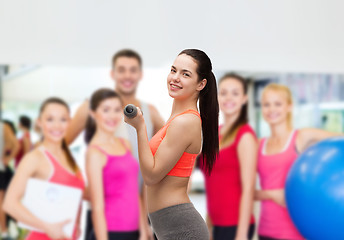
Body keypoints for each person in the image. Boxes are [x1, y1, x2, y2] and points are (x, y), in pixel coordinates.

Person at [65, 49, 164, 240]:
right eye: (122, 70)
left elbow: (173, 144)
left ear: (140, 74)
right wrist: (78, 184)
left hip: (138, 211)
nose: (127, 75)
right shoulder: (91, 107)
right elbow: (59, 146)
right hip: (105, 213)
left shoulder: (150, 112)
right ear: (113, 74)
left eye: (133, 70)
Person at [125, 49, 219, 240]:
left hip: (181, 229)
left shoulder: (185, 122)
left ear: (201, 84)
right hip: (168, 225)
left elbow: (151, 176)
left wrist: (140, 127)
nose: (175, 78)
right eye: (173, 70)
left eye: (185, 74)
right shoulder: (175, 120)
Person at [255, 83, 342, 240]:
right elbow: (242, 191)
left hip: (295, 231)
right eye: (267, 104)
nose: (272, 109)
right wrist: (270, 194)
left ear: (289, 107)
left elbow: (340, 137)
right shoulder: (258, 144)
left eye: (278, 104)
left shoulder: (302, 137)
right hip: (266, 230)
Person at [3, 97, 85, 240]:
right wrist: (47, 227)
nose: (57, 126)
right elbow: (9, 204)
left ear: (69, 122)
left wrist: (77, 222)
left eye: (63, 119)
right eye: (50, 119)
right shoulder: (35, 158)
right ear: (39, 122)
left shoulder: (69, 157)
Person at [85, 88, 149, 240]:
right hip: (111, 231)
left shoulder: (125, 144)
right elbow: (97, 207)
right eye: (106, 110)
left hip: (134, 231)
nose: (112, 116)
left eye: (116, 110)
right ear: (93, 113)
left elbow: (134, 191)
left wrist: (143, 230)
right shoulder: (95, 153)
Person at [201, 73, 257, 240]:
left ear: (244, 99)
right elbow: (213, 183)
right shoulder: (216, 134)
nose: (228, 98)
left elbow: (248, 189)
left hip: (235, 226)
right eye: (223, 93)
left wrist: (241, 234)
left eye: (235, 93)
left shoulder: (245, 136)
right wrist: (209, 224)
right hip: (216, 223)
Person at [0, 122, 19, 239]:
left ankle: (5, 231)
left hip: (2, 170)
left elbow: (16, 145)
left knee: (3, 203)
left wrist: (7, 158)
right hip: (3, 169)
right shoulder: (4, 127)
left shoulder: (3, 127)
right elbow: (15, 145)